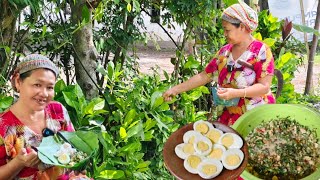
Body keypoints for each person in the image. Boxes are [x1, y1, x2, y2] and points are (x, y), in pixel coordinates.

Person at [163, 1, 275, 126]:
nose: (225, 34)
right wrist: (175, 90)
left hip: (257, 118)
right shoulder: (224, 52)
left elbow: (264, 87)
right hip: (230, 118)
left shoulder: (261, 51)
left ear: (242, 27)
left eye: (227, 30)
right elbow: (205, 76)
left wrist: (236, 93)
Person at [0, 54, 88, 179]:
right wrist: (18, 162)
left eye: (50, 87)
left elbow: (73, 150)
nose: (44, 93)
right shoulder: (3, 125)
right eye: (37, 85)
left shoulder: (57, 112)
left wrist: (79, 166)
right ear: (18, 82)